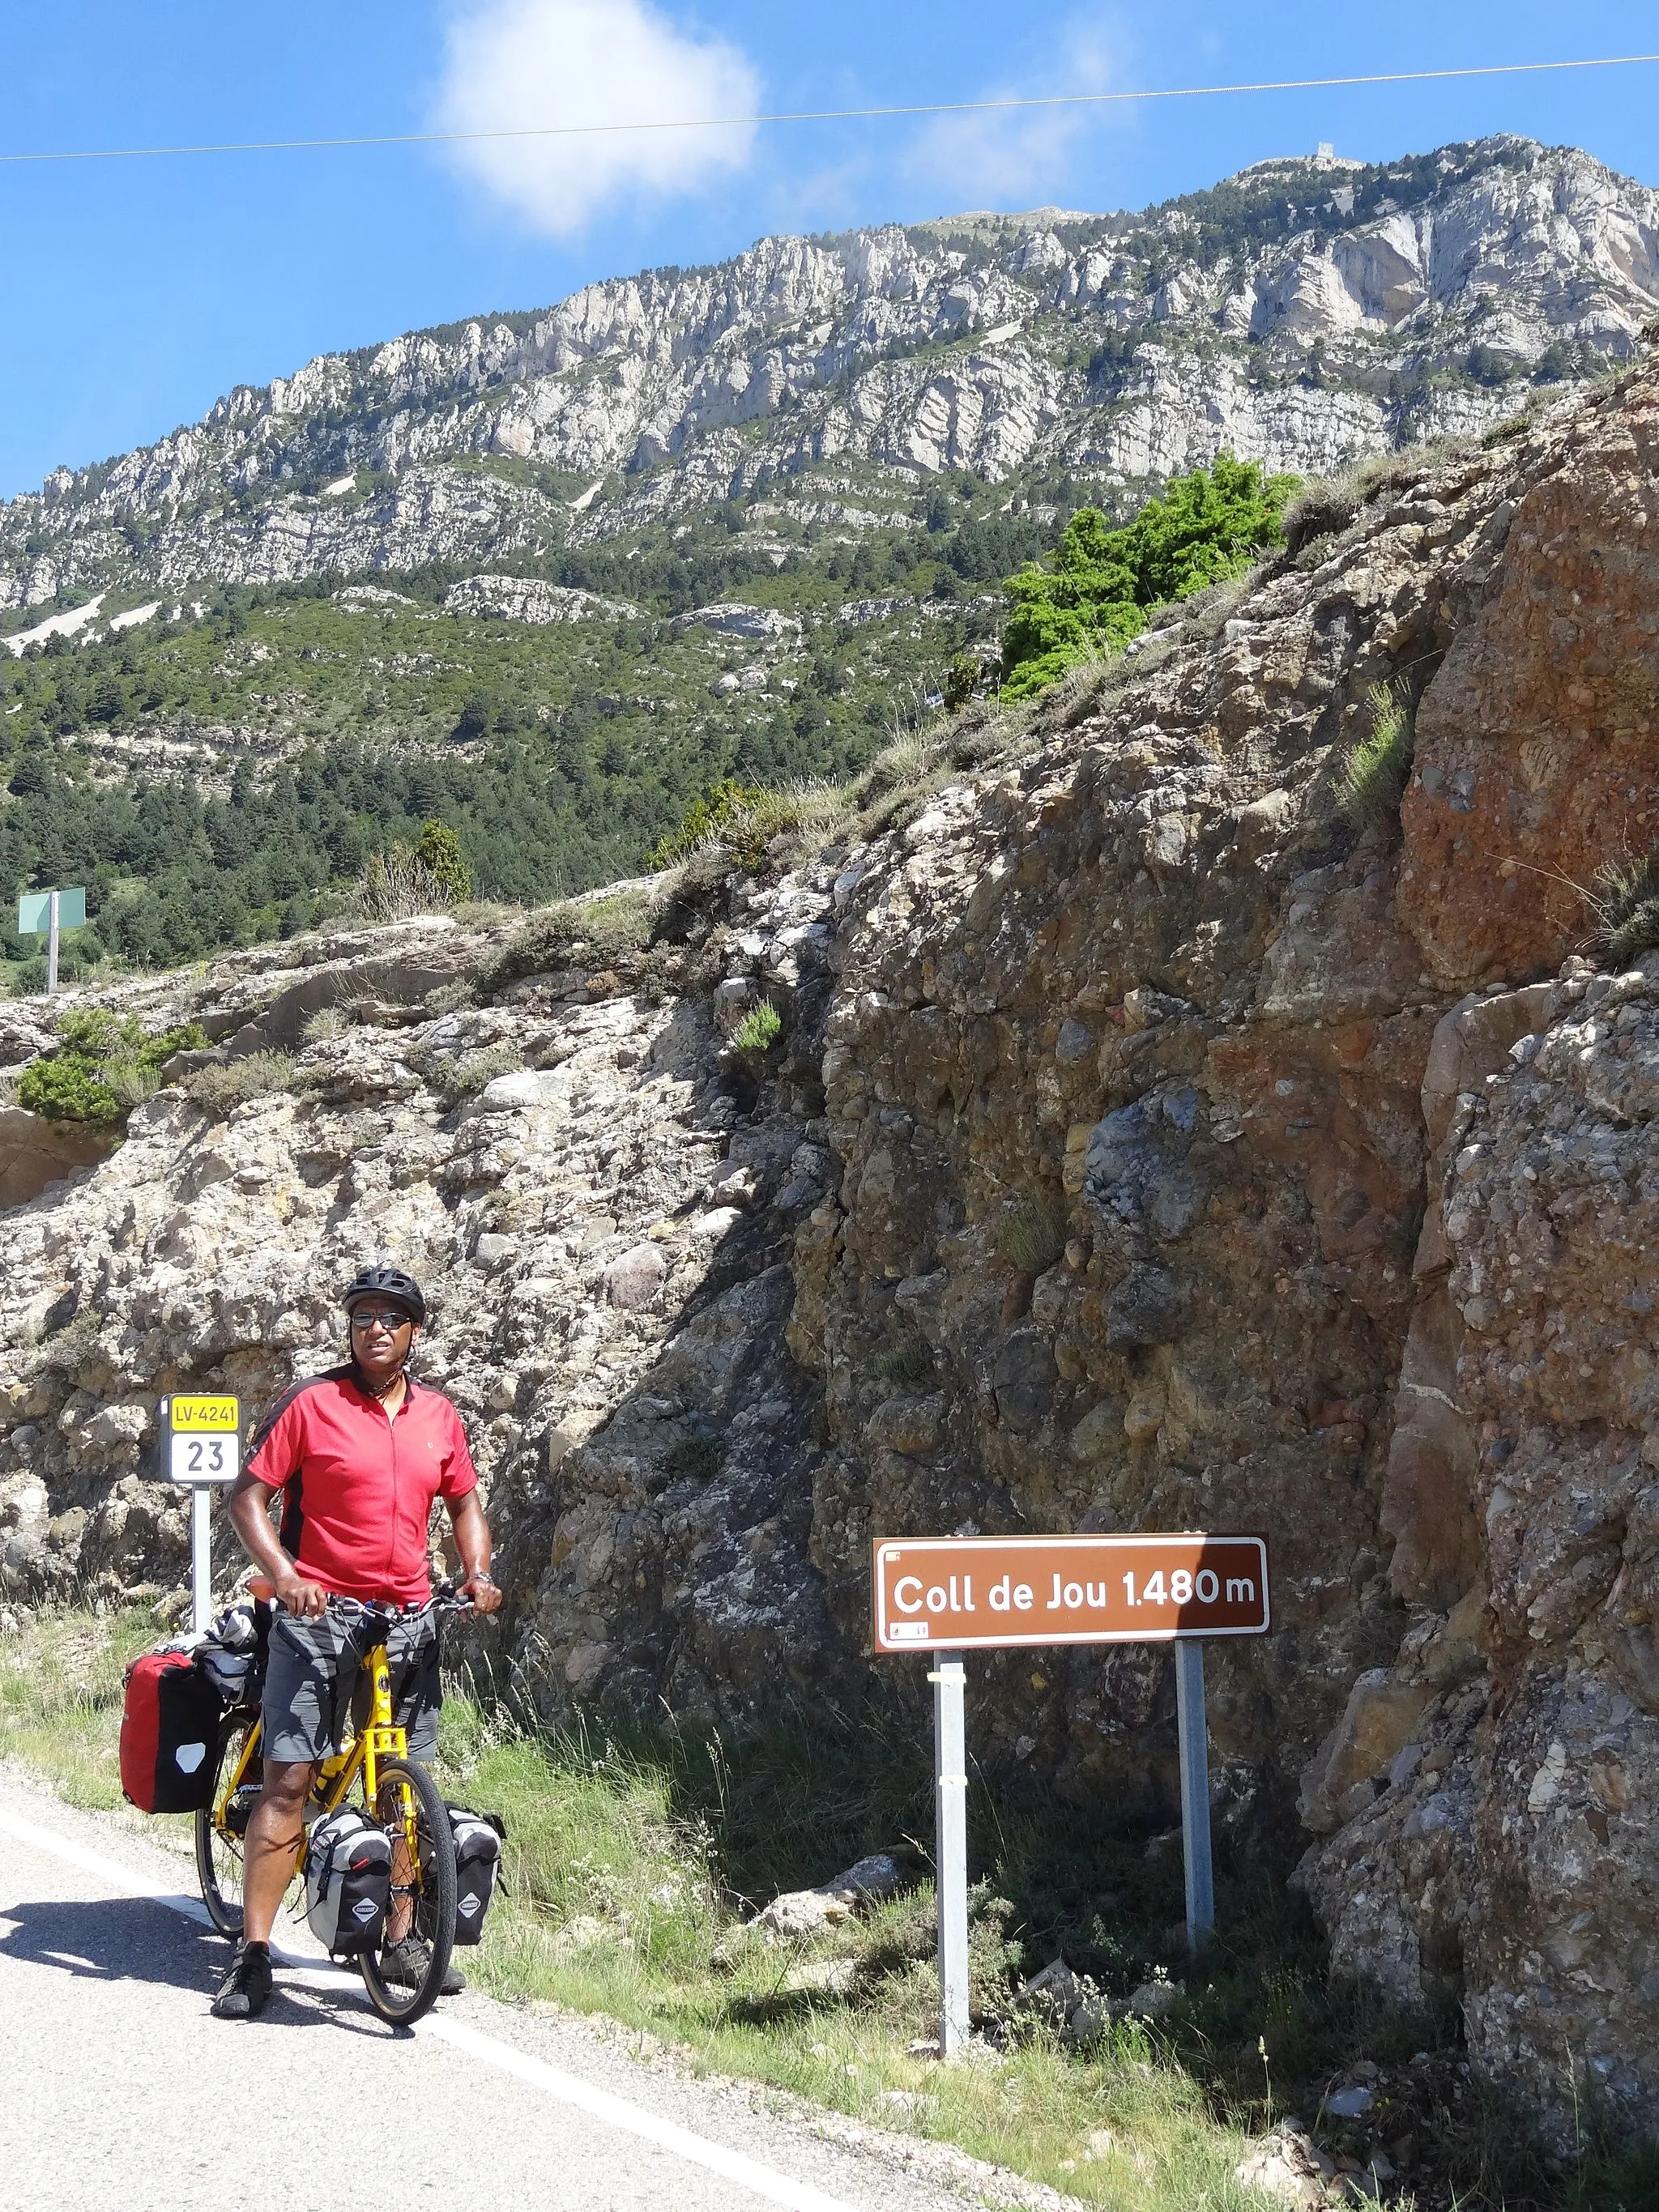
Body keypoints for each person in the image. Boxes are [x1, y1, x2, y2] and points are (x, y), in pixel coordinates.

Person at [211, 1264, 502, 2022]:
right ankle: (254, 1954)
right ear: (350, 1327)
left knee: (400, 1788)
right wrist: (283, 1572)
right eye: (364, 1314)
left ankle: (402, 1939)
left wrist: (476, 1572)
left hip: (408, 1618)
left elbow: (466, 1503)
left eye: (392, 1316)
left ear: (414, 1331)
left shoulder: (440, 1416)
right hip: (317, 1615)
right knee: (288, 1783)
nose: (376, 1326)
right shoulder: (312, 1402)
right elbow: (248, 1496)